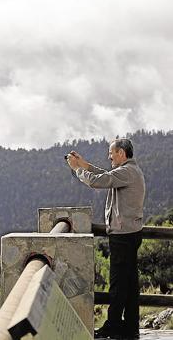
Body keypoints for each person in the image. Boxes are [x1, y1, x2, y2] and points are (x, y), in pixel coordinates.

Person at [67, 138, 145, 339]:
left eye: (111, 153)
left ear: (121, 153)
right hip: (130, 234)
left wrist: (77, 170)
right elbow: (106, 175)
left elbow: (97, 181)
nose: (109, 156)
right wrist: (84, 164)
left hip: (123, 236)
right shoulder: (129, 171)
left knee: (118, 285)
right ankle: (130, 328)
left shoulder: (126, 172)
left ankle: (112, 327)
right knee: (129, 284)